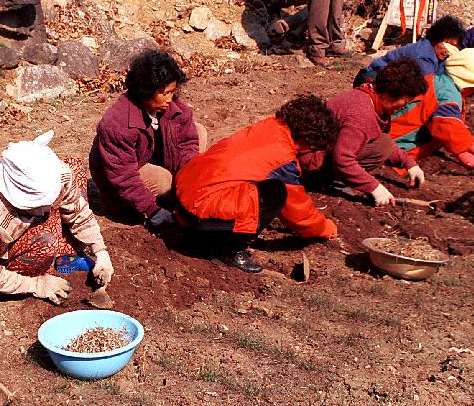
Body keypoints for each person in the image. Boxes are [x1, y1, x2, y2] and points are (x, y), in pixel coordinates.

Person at [174, 94, 339, 274]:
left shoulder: (270, 127)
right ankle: (228, 250)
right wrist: (326, 229)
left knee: (256, 191)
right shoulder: (283, 157)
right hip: (196, 210)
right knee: (275, 194)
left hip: (183, 193)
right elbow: (299, 213)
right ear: (308, 141)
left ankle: (200, 235)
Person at [0, 131, 113, 304]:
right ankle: (40, 265)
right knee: (46, 239)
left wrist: (100, 251)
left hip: (23, 231)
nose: (48, 208)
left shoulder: (57, 175)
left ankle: (60, 254)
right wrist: (34, 284)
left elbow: (78, 211)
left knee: (75, 168)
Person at [89, 49, 207, 227]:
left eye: (172, 92)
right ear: (146, 90)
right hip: (118, 183)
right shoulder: (117, 124)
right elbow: (123, 178)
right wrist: (153, 210)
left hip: (151, 159)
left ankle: (181, 190)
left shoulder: (172, 106)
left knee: (199, 132)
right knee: (163, 180)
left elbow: (187, 143)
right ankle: (149, 202)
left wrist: (191, 177)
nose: (169, 99)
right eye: (164, 93)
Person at [299, 57, 428, 207]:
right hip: (308, 163)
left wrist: (408, 163)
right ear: (391, 92)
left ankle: (338, 177)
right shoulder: (362, 114)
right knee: (382, 146)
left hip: (318, 153)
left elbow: (376, 140)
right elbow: (342, 159)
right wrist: (374, 187)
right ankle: (330, 180)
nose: (404, 107)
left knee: (382, 143)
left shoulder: (370, 95)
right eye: (404, 102)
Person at [389, 46, 474, 172]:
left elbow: (448, 132)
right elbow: (450, 129)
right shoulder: (447, 96)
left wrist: (466, 157)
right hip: (394, 147)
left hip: (389, 140)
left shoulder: (438, 81)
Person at [353, 15, 466, 86]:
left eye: (453, 46)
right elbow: (429, 85)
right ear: (437, 38)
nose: (448, 50)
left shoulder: (438, 56)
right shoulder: (422, 55)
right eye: (447, 44)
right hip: (372, 79)